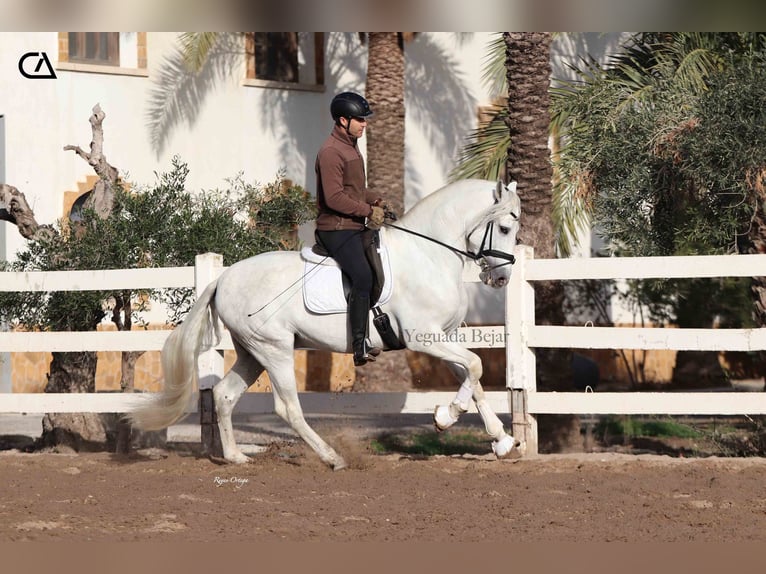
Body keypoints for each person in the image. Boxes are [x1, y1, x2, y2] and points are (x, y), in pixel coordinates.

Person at [315, 91, 386, 366]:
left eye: (364, 120)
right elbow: (333, 198)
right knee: (363, 276)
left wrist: (375, 198)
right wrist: (368, 211)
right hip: (335, 229)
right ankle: (359, 345)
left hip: (351, 224)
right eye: (359, 119)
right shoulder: (331, 152)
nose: (364, 124)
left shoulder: (350, 146)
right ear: (343, 120)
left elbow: (353, 191)